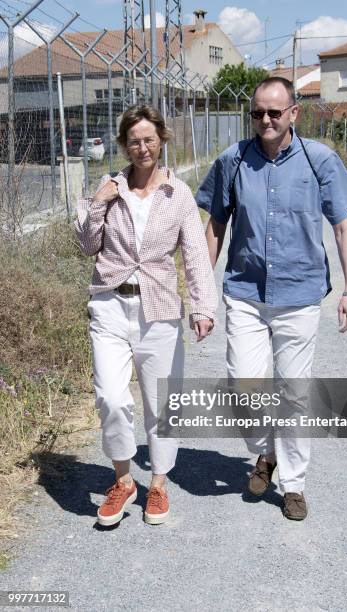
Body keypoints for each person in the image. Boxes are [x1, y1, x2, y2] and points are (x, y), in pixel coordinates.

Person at [196, 76, 347, 520]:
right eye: (257, 113)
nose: (265, 120)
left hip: (300, 295)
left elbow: (343, 227)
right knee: (244, 387)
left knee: (293, 393)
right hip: (246, 292)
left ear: (293, 113)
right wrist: (200, 293)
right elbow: (214, 227)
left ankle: (294, 484)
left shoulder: (320, 160)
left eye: (274, 112)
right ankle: (266, 450)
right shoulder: (232, 161)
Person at [75, 105, 217, 527]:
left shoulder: (179, 194)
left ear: (161, 141)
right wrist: (97, 201)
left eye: (149, 139)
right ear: (123, 145)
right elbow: (86, 244)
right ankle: (123, 479)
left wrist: (202, 306)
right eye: (134, 141)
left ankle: (157, 482)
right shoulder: (109, 188)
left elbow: (193, 253)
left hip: (158, 309)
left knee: (161, 402)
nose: (142, 147)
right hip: (110, 305)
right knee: (112, 398)